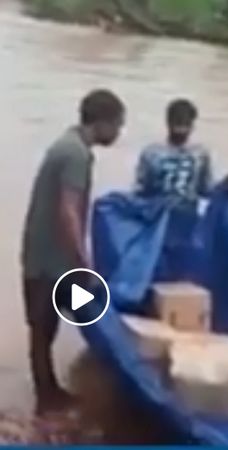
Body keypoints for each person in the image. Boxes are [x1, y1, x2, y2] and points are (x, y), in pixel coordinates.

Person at [21, 89, 125, 415]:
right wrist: (83, 260)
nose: (118, 133)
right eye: (117, 125)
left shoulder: (68, 144)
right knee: (47, 328)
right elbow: (68, 210)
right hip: (50, 263)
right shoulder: (76, 155)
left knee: (75, 316)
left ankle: (53, 390)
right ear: (102, 122)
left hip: (48, 257)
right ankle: (46, 398)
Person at [135, 99, 213, 203]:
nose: (181, 130)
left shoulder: (200, 154)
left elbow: (206, 189)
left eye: (185, 125)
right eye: (178, 124)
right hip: (156, 209)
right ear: (168, 123)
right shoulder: (152, 153)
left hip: (190, 209)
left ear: (192, 125)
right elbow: (141, 189)